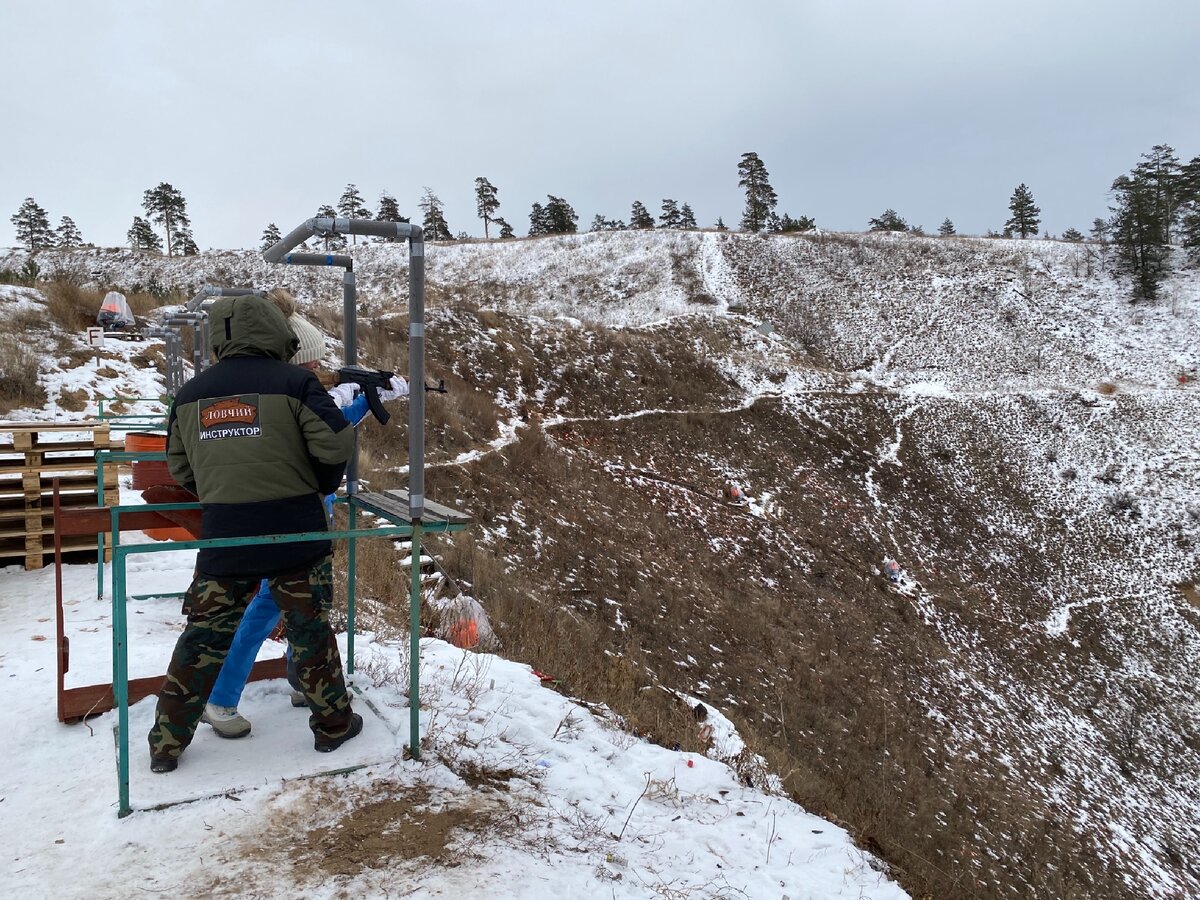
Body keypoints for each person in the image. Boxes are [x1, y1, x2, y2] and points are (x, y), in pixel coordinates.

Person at [147, 293, 361, 773]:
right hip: (296, 532)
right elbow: (335, 442)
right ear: (276, 333)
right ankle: (333, 727)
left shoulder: (190, 394)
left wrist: (223, 491)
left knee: (202, 637)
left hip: (226, 534)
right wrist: (315, 486)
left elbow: (180, 467)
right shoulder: (295, 382)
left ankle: (165, 744)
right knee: (309, 631)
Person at [201, 294, 406, 738]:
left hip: (306, 519)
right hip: (291, 522)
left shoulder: (285, 395)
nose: (315, 373)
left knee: (302, 609)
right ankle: (220, 697)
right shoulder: (288, 396)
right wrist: (361, 404)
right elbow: (319, 444)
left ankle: (298, 683)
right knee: (268, 610)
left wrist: (360, 401)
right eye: (310, 366)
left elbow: (320, 434)